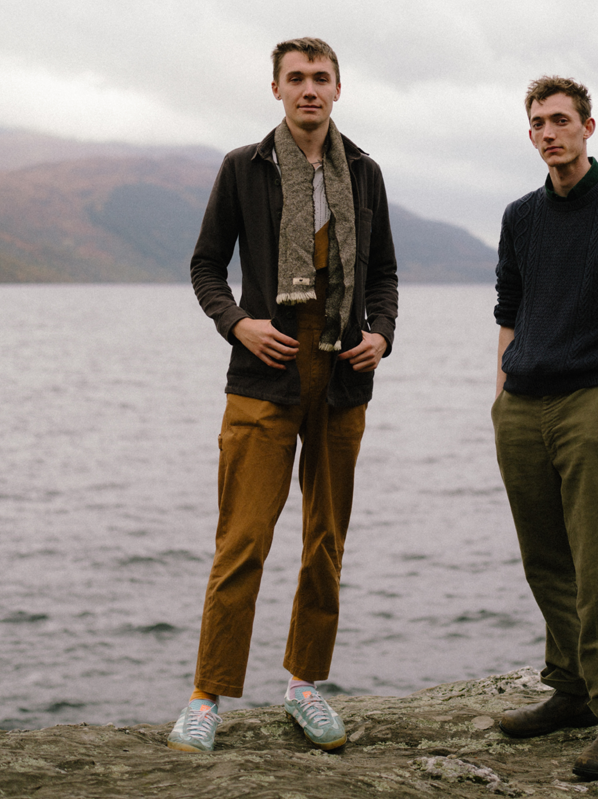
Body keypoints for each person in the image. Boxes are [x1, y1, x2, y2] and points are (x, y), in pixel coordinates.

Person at [168, 37, 398, 754]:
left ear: (338, 88)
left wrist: (381, 335)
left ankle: (305, 686)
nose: (309, 90)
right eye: (295, 79)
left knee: (325, 542)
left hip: (341, 381)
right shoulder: (244, 168)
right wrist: (238, 324)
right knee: (242, 541)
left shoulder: (363, 172)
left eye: (320, 78)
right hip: (263, 377)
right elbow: (207, 264)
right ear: (276, 89)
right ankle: (206, 698)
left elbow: (384, 275)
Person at [491, 76, 598, 782]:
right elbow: (508, 304)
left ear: (589, 127)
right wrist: (499, 392)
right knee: (545, 559)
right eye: (537, 123)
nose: (548, 133)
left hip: (587, 404)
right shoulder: (520, 216)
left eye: (561, 120)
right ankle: (569, 686)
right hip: (522, 405)